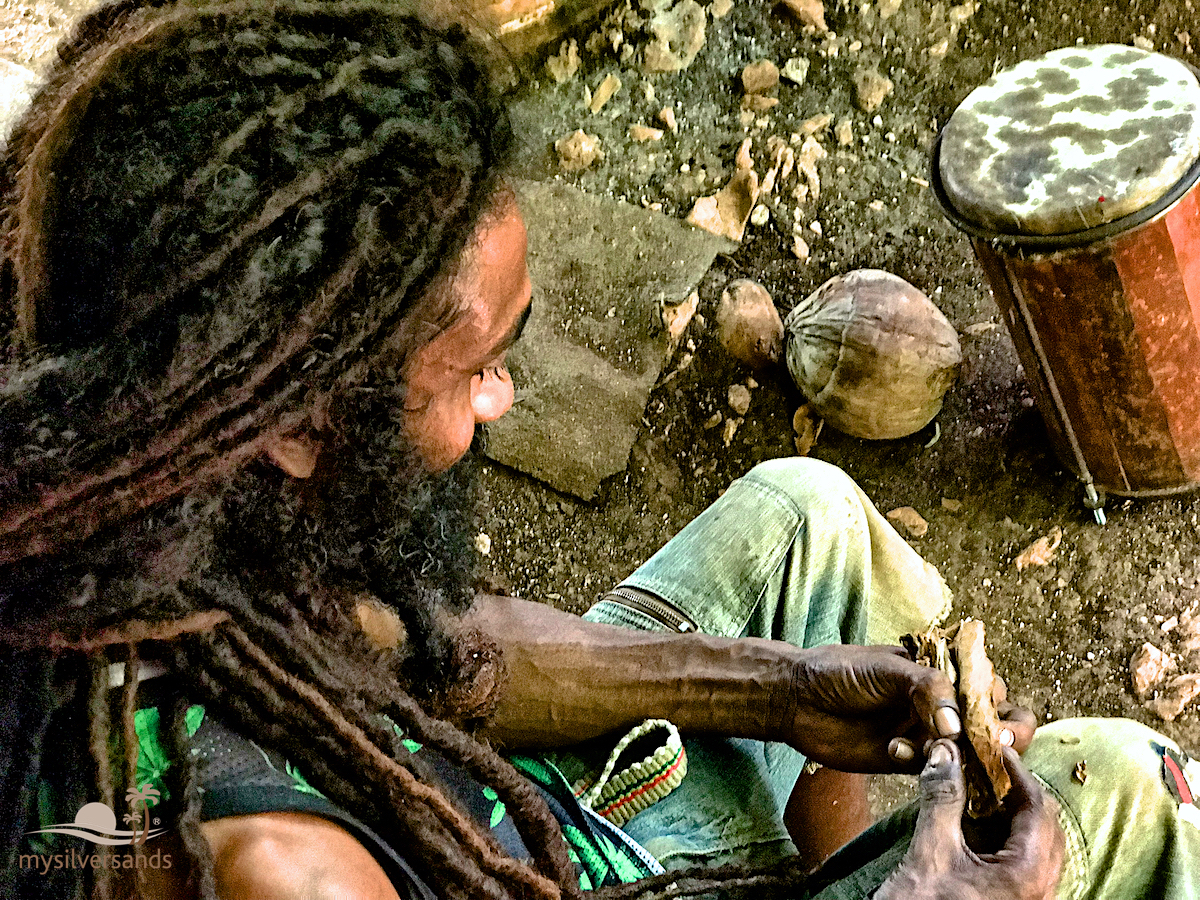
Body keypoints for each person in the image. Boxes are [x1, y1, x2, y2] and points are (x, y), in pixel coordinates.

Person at [0, 2, 1196, 899]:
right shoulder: (275, 872)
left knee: (804, 516)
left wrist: (780, 689)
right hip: (535, 866)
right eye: (473, 372)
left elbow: (419, 652)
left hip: (507, 824)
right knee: (1123, 785)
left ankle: (838, 842)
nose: (505, 398)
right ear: (298, 424)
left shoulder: (144, 508)